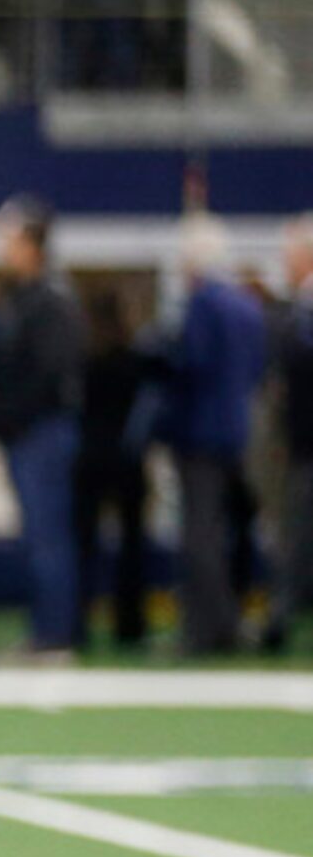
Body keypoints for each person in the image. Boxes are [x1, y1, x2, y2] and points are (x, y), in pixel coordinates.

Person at [156, 214, 266, 655]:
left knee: (198, 535)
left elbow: (193, 365)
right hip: (235, 429)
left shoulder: (203, 303)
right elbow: (257, 368)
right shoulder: (245, 304)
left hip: (200, 432)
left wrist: (164, 360)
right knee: (220, 531)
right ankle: (223, 620)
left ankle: (210, 628)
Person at [0, 195, 86, 664]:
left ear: (31, 244)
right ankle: (44, 631)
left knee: (48, 537)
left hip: (42, 433)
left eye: (9, 239)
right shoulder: (22, 296)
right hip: (26, 433)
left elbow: (51, 373)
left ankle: (55, 636)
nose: (3, 248)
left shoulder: (51, 299)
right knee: (38, 537)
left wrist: (13, 418)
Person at [74, 287, 150, 647]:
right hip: (126, 460)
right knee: (131, 544)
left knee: (85, 544)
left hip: (92, 460)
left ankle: (79, 623)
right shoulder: (135, 358)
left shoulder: (87, 359)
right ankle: (129, 625)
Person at [266, 216, 313, 652]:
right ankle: (279, 621)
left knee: (296, 536)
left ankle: (279, 623)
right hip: (300, 444)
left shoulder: (303, 310)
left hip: (307, 444)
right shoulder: (295, 309)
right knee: (294, 535)